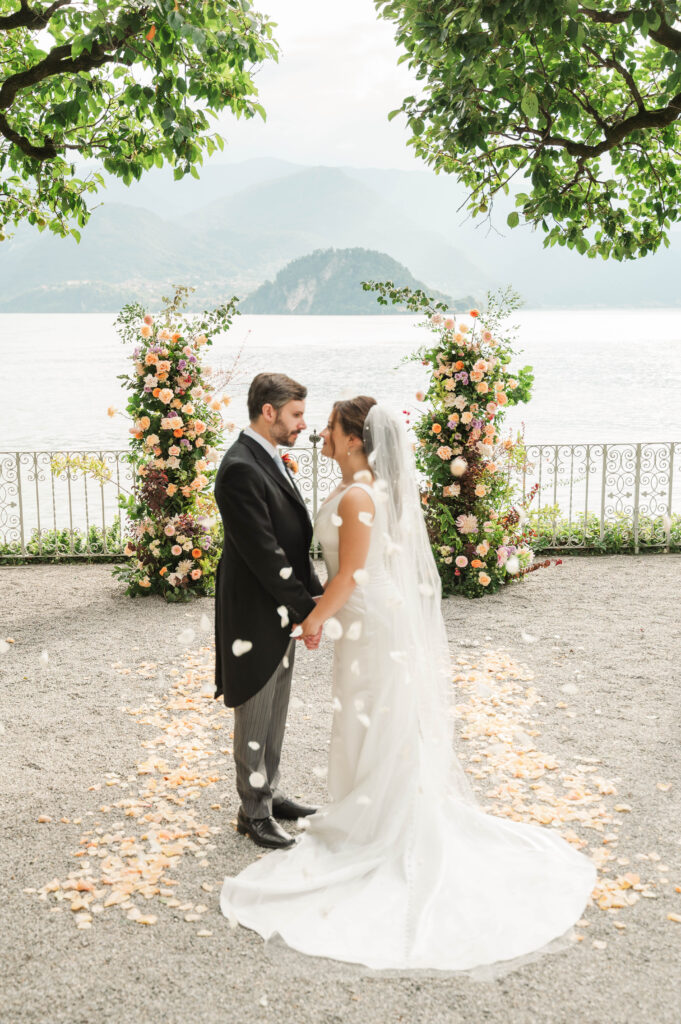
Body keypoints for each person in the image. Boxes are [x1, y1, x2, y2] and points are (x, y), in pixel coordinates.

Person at [220, 397, 596, 974]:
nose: (317, 431)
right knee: (373, 715)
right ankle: (366, 808)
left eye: (327, 427)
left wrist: (313, 617)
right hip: (368, 620)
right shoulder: (367, 488)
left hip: (372, 624)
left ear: (352, 440)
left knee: (379, 713)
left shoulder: (360, 494)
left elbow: (351, 574)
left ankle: (386, 824)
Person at [213, 373, 323, 851]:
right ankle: (252, 813)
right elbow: (263, 552)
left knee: (275, 706)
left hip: (279, 607)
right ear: (269, 412)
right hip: (255, 611)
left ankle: (268, 792)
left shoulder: (266, 458)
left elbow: (292, 546)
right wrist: (308, 609)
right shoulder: (240, 467)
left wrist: (311, 601)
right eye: (296, 414)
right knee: (256, 707)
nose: (303, 424)